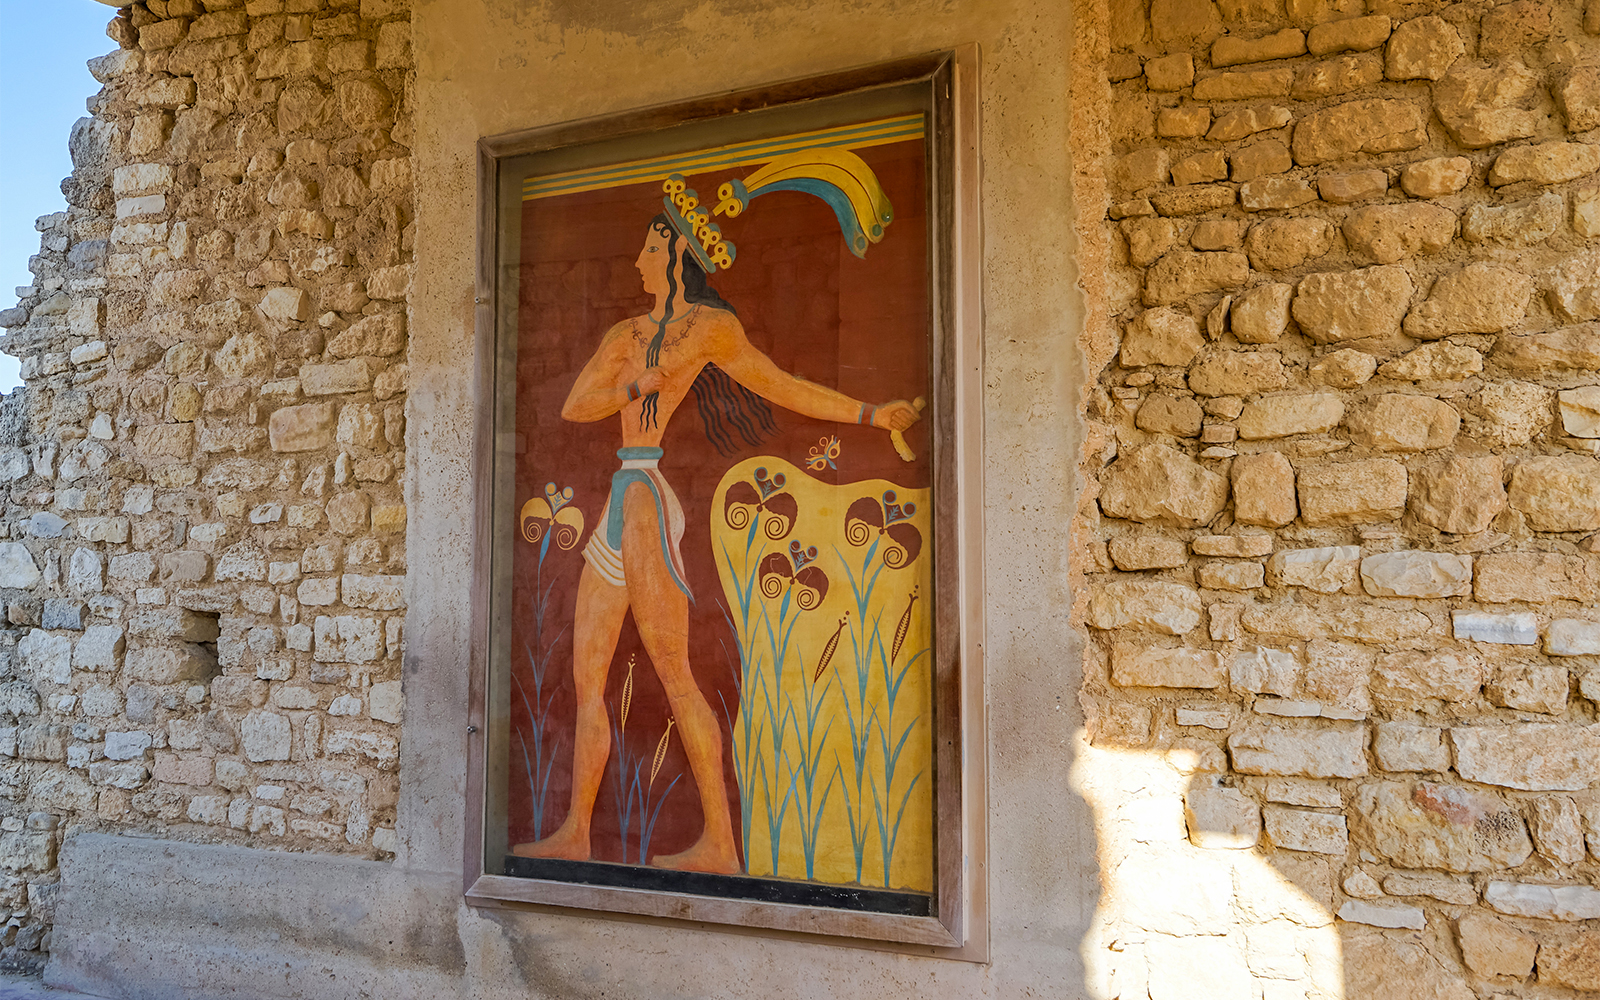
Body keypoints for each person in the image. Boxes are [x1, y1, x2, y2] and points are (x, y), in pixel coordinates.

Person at [511, 212, 921, 873]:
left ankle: (722, 846)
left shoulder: (710, 331)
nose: (637, 261)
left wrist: (871, 414)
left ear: (676, 253)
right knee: (587, 677)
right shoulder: (627, 334)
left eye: (648, 247)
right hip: (621, 494)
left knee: (675, 674)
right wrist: (631, 382)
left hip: (645, 503)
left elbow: (779, 385)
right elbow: (575, 405)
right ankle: (576, 835)